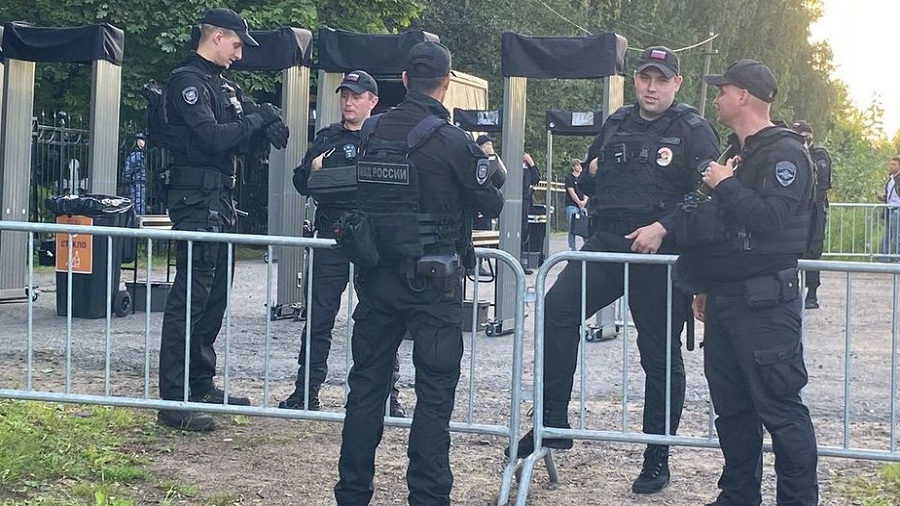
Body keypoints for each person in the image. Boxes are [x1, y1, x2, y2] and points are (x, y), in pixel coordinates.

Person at [508, 46, 721, 496]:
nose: (651, 87)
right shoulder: (618, 122)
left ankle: (657, 455)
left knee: (658, 356)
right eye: (645, 78)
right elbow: (587, 178)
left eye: (660, 80)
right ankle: (552, 421)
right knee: (557, 308)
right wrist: (590, 170)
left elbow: (708, 195)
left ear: (676, 83)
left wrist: (664, 227)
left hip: (658, 254)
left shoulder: (692, 129)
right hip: (606, 244)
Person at [333, 41, 504, 506]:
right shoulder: (453, 142)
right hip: (434, 285)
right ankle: (427, 497)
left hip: (377, 279)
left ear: (405, 80)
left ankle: (352, 494)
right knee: (434, 395)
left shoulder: (371, 130)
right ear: (446, 84)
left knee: (366, 389)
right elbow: (491, 202)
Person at [680, 59, 818, 506]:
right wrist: (703, 284)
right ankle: (737, 497)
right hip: (725, 299)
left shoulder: (785, 153)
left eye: (723, 91)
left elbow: (769, 219)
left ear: (743, 96)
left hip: (766, 304)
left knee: (781, 410)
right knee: (733, 412)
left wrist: (725, 184)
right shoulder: (736, 154)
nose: (717, 99)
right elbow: (718, 228)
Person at [157, 7, 289, 432]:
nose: (239, 54)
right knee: (190, 300)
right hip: (195, 200)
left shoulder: (222, 84)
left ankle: (199, 384)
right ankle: (173, 400)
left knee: (214, 298)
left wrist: (266, 121)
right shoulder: (187, 83)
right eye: (235, 44)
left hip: (221, 201)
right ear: (216, 37)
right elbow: (213, 137)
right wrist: (257, 119)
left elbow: (242, 133)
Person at [284, 70, 405, 417]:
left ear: (372, 101)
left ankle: (386, 397)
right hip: (333, 236)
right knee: (319, 317)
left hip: (372, 240)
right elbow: (301, 182)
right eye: (345, 95)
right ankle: (305, 392)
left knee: (380, 318)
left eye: (356, 96)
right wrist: (316, 170)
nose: (348, 102)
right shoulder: (328, 138)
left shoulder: (385, 138)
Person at [792, 120, 833, 308]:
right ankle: (794, 290)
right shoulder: (791, 153)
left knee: (813, 250)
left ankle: (812, 292)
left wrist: (805, 153)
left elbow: (821, 180)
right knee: (793, 249)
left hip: (816, 208)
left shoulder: (819, 154)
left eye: (803, 136)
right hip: (798, 209)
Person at [878, 156, 900, 261]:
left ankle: (896, 260)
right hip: (890, 210)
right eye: (890, 164)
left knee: (896, 237)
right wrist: (884, 197)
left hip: (897, 210)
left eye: (894, 164)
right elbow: (892, 195)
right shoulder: (891, 179)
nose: (891, 166)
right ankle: (884, 259)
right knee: (887, 236)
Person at [564, 158, 589, 250]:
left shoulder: (583, 178)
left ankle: (587, 246)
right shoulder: (569, 178)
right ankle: (573, 247)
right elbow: (572, 192)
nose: (580, 167)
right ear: (573, 167)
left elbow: (587, 191)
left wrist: (584, 201)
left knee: (585, 226)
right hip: (572, 205)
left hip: (583, 205)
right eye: (578, 165)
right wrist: (578, 202)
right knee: (572, 226)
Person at [123, 133, 148, 214]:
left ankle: (139, 215)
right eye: (140, 140)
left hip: (139, 182)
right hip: (136, 182)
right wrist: (128, 179)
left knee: (139, 201)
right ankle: (139, 216)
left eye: (143, 140)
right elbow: (128, 170)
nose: (142, 142)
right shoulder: (136, 155)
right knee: (138, 201)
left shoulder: (140, 155)